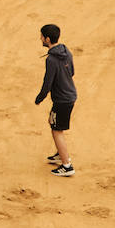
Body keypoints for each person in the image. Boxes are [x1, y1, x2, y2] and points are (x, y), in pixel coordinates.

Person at [33, 24, 77, 177]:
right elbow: (72, 71)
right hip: (70, 95)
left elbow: (48, 82)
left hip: (62, 100)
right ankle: (60, 153)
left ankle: (66, 165)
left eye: (42, 37)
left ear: (48, 39)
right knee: (54, 123)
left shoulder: (51, 59)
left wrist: (40, 98)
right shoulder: (66, 50)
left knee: (56, 129)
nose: (40, 39)